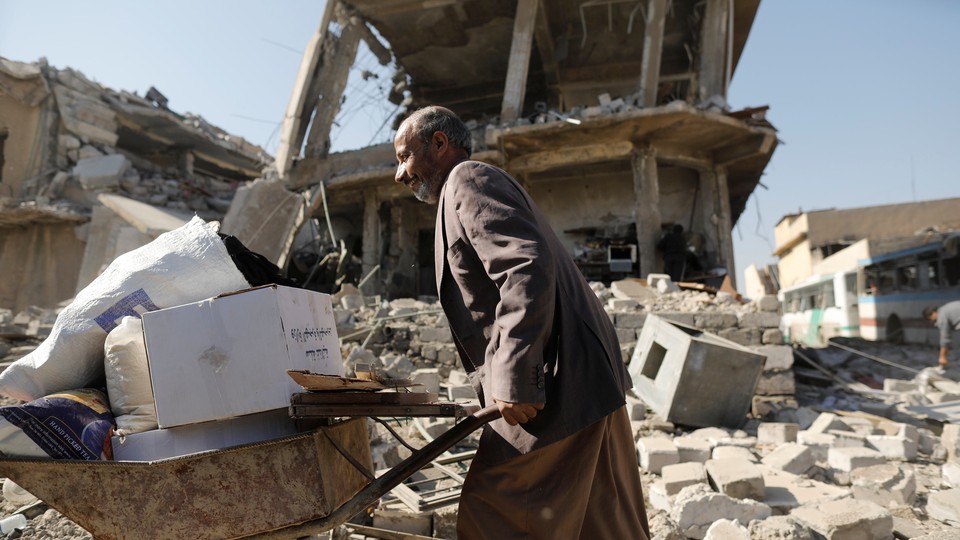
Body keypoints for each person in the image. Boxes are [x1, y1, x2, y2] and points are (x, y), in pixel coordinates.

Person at [393, 106, 650, 539]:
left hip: (558, 383)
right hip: (586, 378)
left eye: (404, 157)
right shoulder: (462, 191)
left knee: (494, 514)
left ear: (439, 144)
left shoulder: (467, 179)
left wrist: (515, 379)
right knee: (605, 522)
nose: (400, 175)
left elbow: (525, 267)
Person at [925, 300, 960, 369]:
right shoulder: (946, 309)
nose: (933, 322)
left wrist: (942, 357)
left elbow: (945, 339)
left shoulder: (941, 316)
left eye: (930, 319)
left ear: (933, 313)